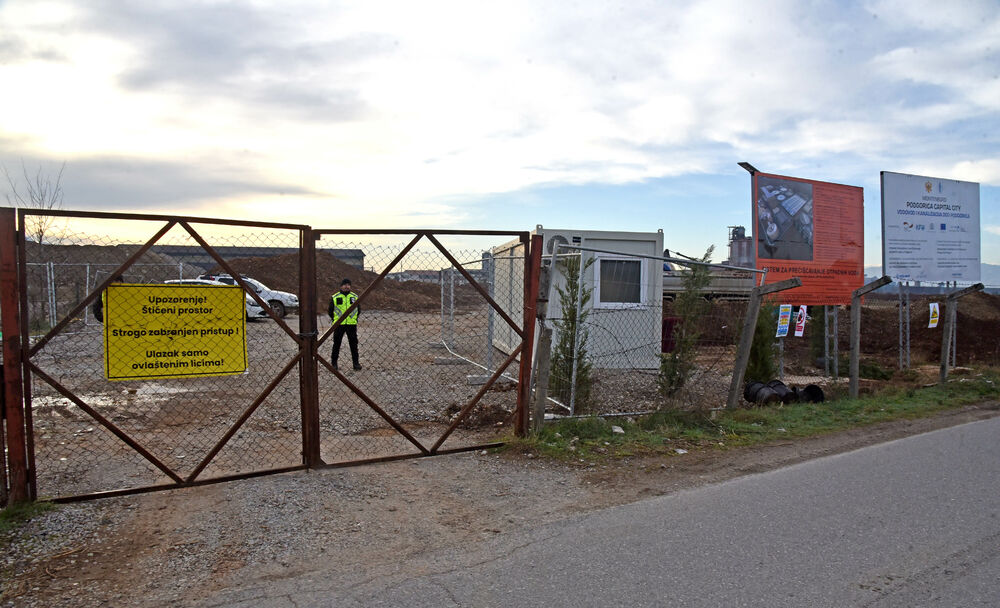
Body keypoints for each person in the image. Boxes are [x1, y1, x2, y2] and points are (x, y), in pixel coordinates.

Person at [328, 278, 361, 370]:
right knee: (336, 344)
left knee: (354, 345)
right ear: (341, 286)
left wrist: (354, 319)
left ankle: (356, 364)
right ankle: (334, 364)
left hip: (351, 325)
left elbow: (358, 310)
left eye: (348, 284)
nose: (347, 286)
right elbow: (330, 311)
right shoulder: (335, 297)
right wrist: (336, 319)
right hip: (339, 325)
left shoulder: (354, 297)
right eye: (345, 284)